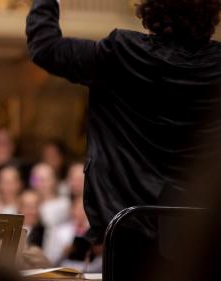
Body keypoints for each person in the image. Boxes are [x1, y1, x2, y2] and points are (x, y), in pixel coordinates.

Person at [27, 0, 221, 279]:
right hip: (206, 230)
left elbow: (46, 48)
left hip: (132, 230)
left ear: (151, 10)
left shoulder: (123, 53)